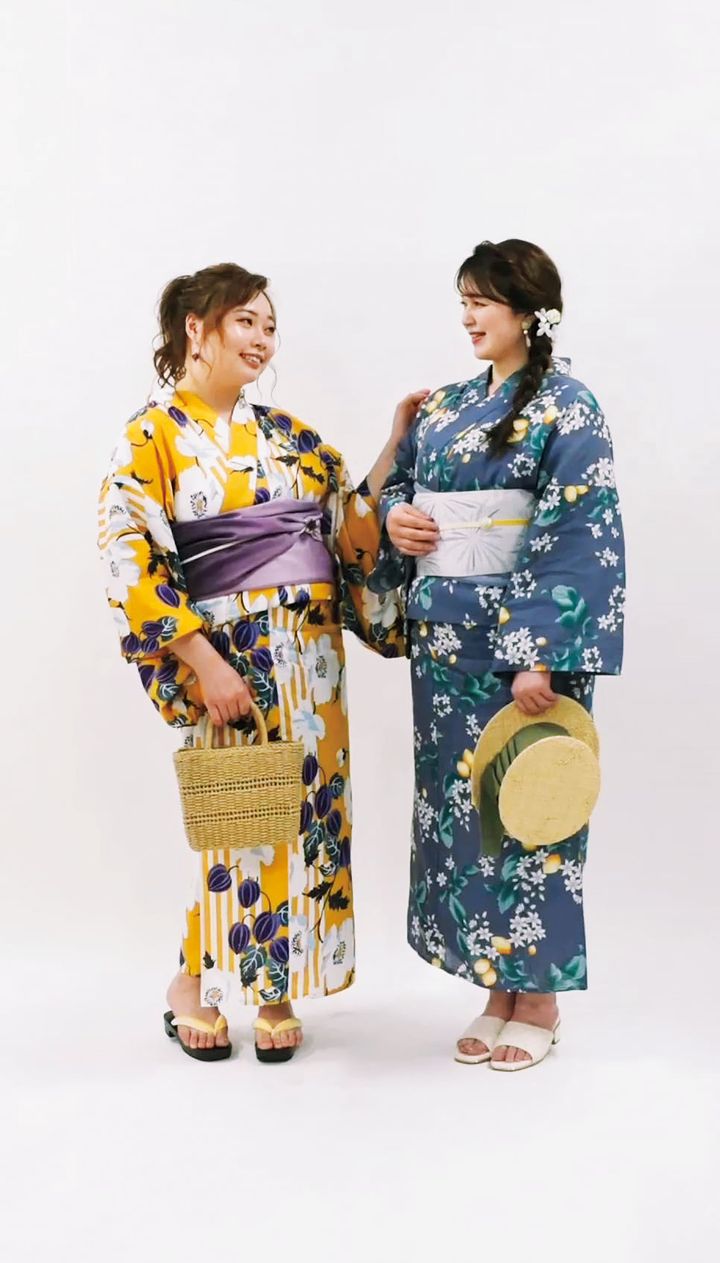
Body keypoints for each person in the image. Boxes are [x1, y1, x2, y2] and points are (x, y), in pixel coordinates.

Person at [98, 263, 416, 1062]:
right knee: (238, 819)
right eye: (245, 320)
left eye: (270, 326)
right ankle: (195, 986)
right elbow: (128, 551)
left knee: (301, 821)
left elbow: (347, 523)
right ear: (195, 328)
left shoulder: (292, 437)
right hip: (229, 658)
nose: (263, 338)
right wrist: (201, 661)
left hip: (311, 661)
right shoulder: (152, 435)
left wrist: (393, 446)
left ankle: (271, 989)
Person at [372, 240, 625, 1071]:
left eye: (482, 301)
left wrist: (539, 652)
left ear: (528, 310)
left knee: (534, 802)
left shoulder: (570, 407)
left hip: (524, 647)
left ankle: (539, 994)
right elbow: (400, 486)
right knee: (466, 808)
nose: (469, 317)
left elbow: (578, 530)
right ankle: (495, 984)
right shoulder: (445, 405)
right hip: (446, 646)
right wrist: (398, 518)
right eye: (464, 302)